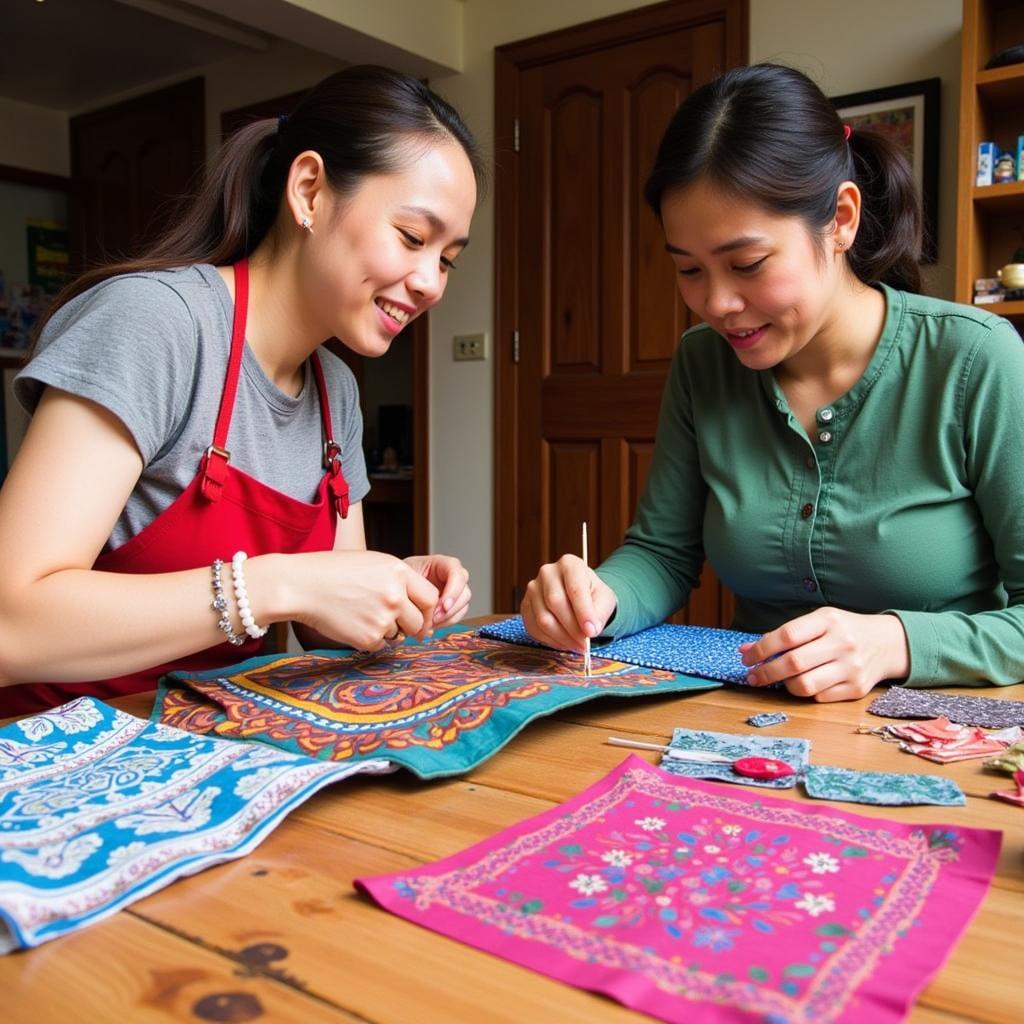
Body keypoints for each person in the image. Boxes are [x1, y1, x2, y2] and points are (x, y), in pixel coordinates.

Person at [521, 63, 1024, 702]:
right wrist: (597, 599)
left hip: (939, 731)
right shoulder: (702, 362)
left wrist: (894, 643)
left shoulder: (974, 360)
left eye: (747, 264)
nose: (717, 303)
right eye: (689, 270)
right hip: (746, 720)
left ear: (840, 219)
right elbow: (664, 553)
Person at [0, 66, 482, 715]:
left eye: (448, 258)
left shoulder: (334, 389)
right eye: (413, 238)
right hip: (49, 751)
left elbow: (320, 627)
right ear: (309, 191)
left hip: (210, 744)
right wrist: (278, 584)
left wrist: (392, 588)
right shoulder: (156, 323)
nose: (431, 283)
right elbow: (11, 623)